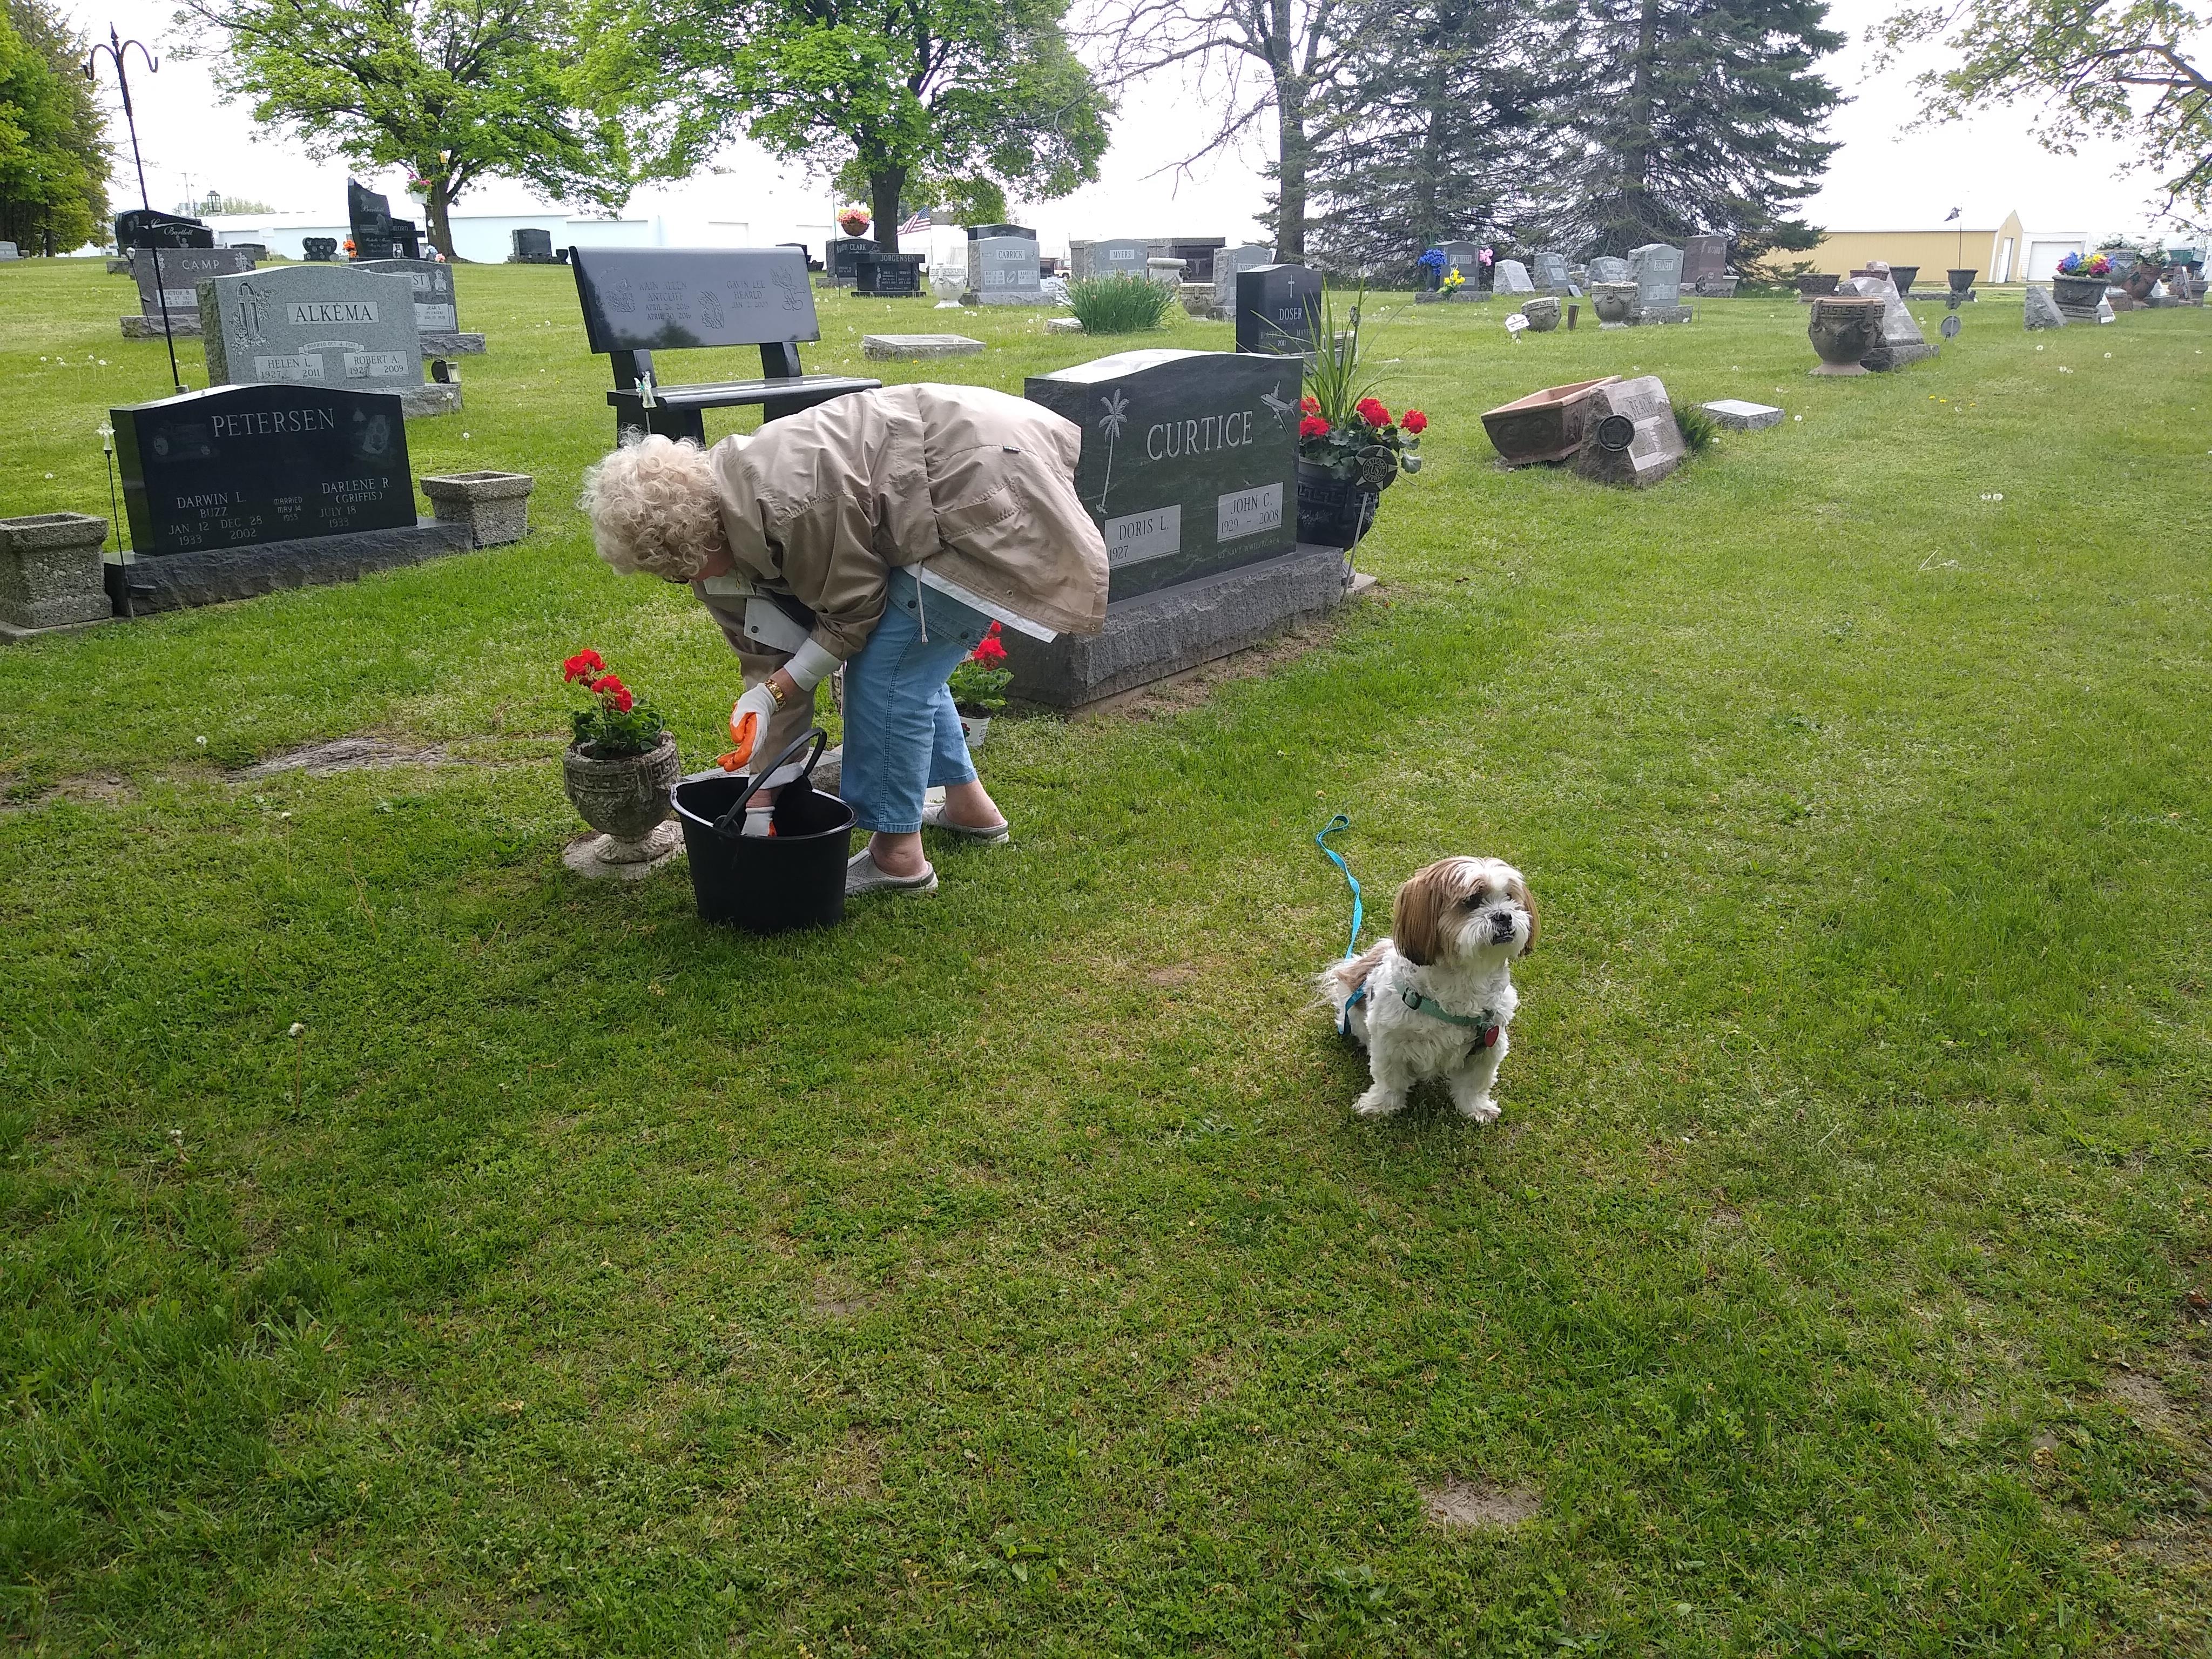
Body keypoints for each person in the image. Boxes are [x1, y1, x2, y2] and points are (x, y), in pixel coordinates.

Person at [581, 382, 1108, 896]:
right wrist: (762, 795)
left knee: (888, 674)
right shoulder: (708, 538)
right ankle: (970, 809)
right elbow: (773, 658)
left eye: (686, 569)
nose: (686, 582)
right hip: (940, 465)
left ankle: (898, 858)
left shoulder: (789, 507)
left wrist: (778, 690)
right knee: (908, 662)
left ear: (706, 533)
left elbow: (853, 613)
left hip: (978, 484)